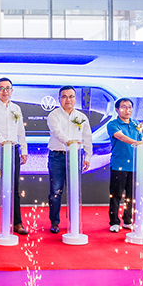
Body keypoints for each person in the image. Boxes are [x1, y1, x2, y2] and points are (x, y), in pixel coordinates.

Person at [0, 78, 28, 236]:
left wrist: (23, 149)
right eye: (1, 88)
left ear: (12, 91)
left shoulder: (16, 108)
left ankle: (17, 223)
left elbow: (20, 130)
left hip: (13, 150)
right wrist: (3, 142)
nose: (5, 91)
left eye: (8, 88)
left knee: (14, 188)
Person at [47, 85, 93, 233]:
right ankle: (55, 222)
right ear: (59, 99)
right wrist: (71, 142)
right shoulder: (53, 115)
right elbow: (57, 132)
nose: (68, 99)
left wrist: (87, 156)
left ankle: (74, 222)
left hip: (75, 156)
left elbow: (87, 138)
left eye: (71, 96)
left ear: (75, 98)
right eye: (64, 97)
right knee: (56, 191)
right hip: (57, 156)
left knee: (74, 190)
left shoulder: (82, 117)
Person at [106, 98, 143, 233]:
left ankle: (128, 220)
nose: (127, 110)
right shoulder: (112, 124)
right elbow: (120, 137)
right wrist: (136, 143)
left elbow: (141, 140)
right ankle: (114, 222)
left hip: (135, 165)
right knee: (116, 195)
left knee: (132, 196)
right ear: (117, 109)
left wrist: (141, 143)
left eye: (130, 107)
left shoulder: (136, 124)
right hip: (119, 165)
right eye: (123, 107)